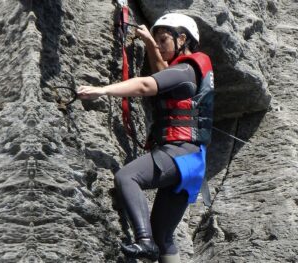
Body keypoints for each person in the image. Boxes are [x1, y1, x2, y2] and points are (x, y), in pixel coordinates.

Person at [77, 13, 214, 263]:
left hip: (178, 154)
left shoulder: (185, 69)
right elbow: (163, 73)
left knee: (128, 177)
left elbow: (145, 86)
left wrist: (102, 90)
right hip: (193, 164)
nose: (160, 46)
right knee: (164, 237)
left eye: (164, 40)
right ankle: (154, 245)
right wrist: (151, 43)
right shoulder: (189, 71)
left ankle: (143, 241)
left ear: (182, 38)